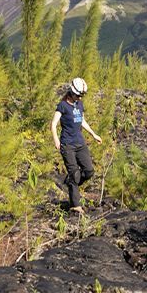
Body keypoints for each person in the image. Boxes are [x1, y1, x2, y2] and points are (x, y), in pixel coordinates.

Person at [50, 77, 102, 213]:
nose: (79, 98)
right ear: (72, 92)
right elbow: (53, 124)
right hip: (68, 145)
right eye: (78, 95)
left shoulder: (79, 104)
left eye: (81, 96)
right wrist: (56, 140)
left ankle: (72, 184)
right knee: (74, 174)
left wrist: (93, 134)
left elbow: (82, 121)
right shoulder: (62, 106)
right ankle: (75, 205)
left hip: (80, 143)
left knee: (89, 171)